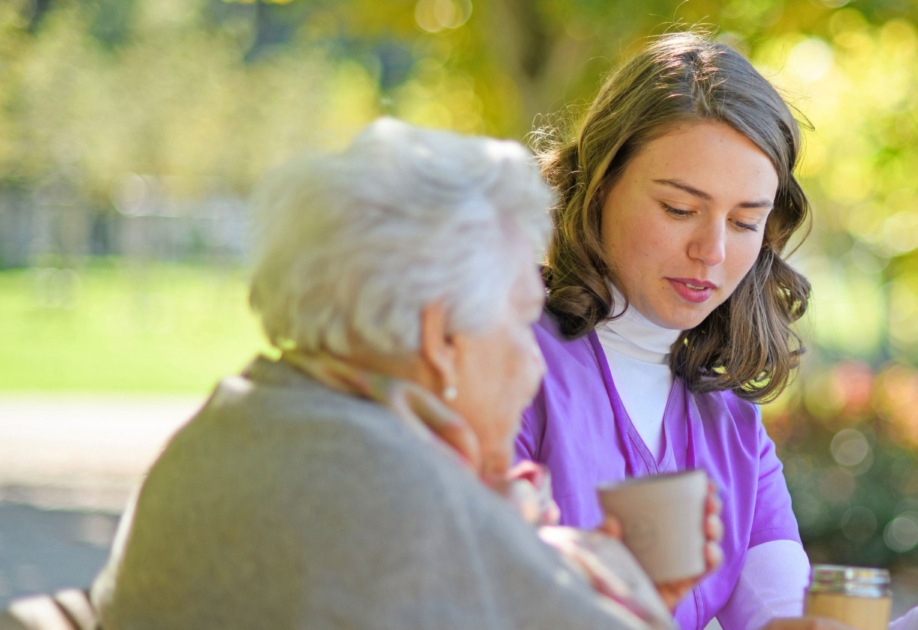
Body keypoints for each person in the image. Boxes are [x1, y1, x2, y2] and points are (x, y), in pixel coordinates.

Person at [518, 32, 918, 630]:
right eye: (679, 209)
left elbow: (789, 624)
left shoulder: (731, 427)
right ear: (598, 188)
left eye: (746, 221)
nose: (713, 250)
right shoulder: (502, 364)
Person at [90, 119, 716, 630]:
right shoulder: (409, 496)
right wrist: (627, 587)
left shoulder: (233, 427)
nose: (534, 363)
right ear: (441, 340)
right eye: (522, 320)